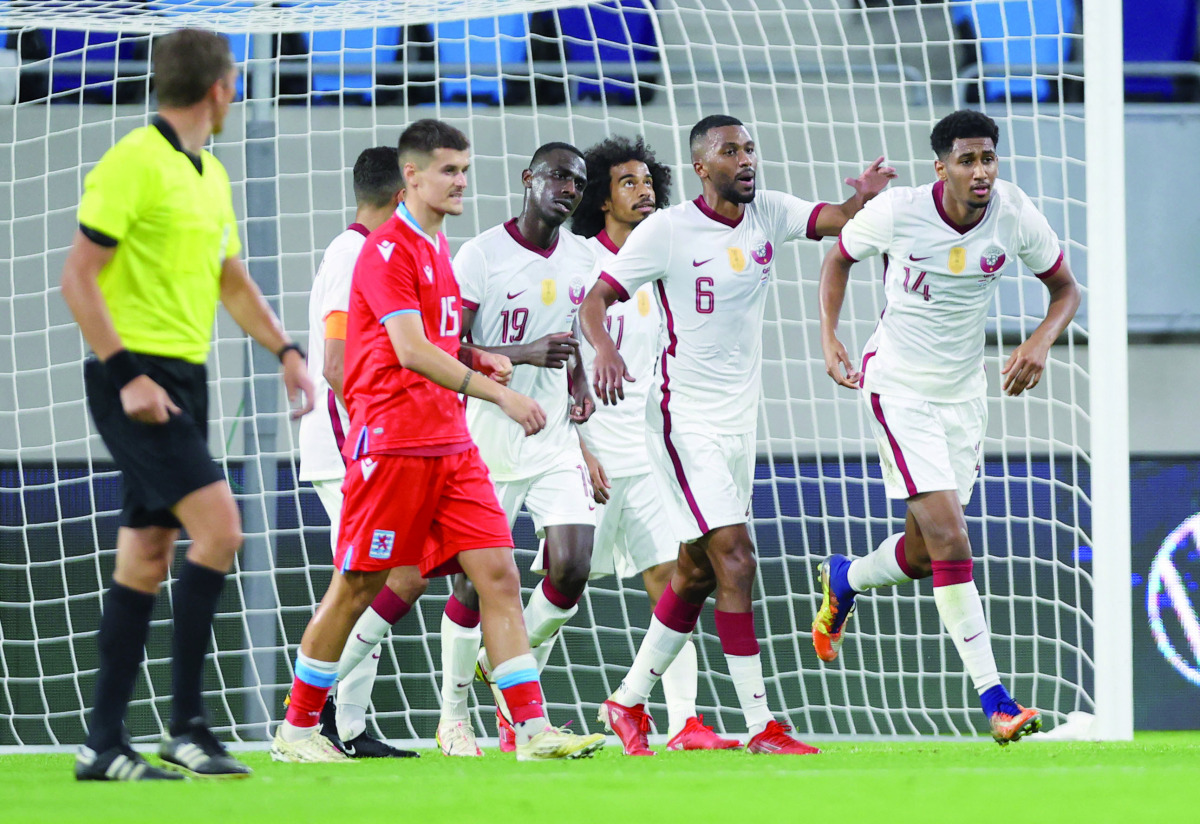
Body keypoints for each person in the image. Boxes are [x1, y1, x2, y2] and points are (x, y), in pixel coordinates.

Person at [270, 119, 604, 763]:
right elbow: (411, 349)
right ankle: (298, 726)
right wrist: (499, 389)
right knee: (362, 585)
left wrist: (481, 355)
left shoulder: (436, 251)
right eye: (447, 170)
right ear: (410, 179)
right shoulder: (386, 251)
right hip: (394, 446)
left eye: (464, 170)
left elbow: (445, 343)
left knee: (500, 575)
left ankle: (531, 731)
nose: (460, 182)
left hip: (451, 449)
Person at [581, 114, 896, 755]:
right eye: (731, 151)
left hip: (737, 425)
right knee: (736, 559)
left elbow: (836, 220)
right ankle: (761, 726)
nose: (746, 159)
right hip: (681, 420)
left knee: (695, 573)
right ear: (702, 167)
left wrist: (861, 196)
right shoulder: (667, 230)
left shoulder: (767, 214)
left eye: (750, 148)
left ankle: (626, 703)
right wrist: (604, 351)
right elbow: (595, 299)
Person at [61, 28, 314, 781]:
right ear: (219, 89)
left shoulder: (209, 173)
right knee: (221, 528)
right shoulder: (132, 162)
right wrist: (127, 373)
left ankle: (102, 744)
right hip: (132, 378)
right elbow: (78, 278)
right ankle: (188, 728)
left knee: (146, 553)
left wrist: (286, 352)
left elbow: (229, 278)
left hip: (185, 377)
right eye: (234, 80)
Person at [813, 109, 1080, 744]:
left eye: (988, 158)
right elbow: (838, 259)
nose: (981, 171)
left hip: (963, 394)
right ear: (942, 166)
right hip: (898, 385)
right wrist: (828, 339)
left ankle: (844, 577)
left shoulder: (1013, 212)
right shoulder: (900, 211)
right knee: (952, 539)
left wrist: (1041, 340)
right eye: (967, 160)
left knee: (923, 550)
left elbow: (1066, 289)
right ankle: (997, 700)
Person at [571, 134, 738, 753]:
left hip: (648, 450)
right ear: (601, 198)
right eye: (627, 183)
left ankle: (683, 723)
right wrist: (575, 442)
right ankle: (506, 682)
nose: (643, 191)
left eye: (648, 181)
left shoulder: (668, 254)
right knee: (564, 587)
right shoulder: (577, 260)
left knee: (676, 579)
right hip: (584, 449)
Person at [434, 142, 600, 757]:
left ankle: (505, 668)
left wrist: (578, 387)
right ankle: (453, 716)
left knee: (573, 567)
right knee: (474, 587)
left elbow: (574, 336)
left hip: (553, 437)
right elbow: (444, 345)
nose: (568, 188)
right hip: (486, 442)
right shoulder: (481, 254)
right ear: (528, 178)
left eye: (578, 182)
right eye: (557, 176)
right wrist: (523, 354)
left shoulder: (580, 256)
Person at [296, 146, 426, 758]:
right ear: (404, 193)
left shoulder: (373, 254)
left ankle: (345, 725)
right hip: (350, 443)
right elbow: (334, 362)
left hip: (366, 440)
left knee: (379, 581)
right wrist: (372, 442)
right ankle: (309, 717)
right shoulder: (353, 255)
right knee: (378, 580)